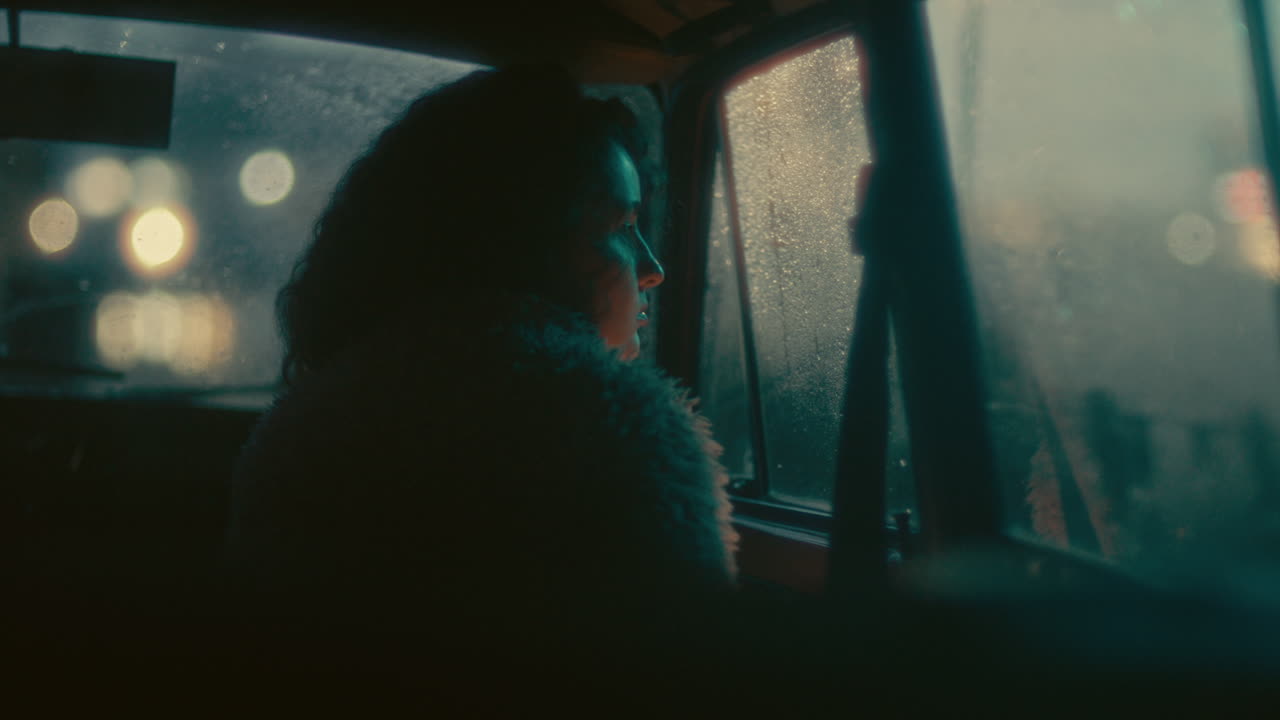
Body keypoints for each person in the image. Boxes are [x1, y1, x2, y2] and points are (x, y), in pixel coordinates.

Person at [222, 66, 739, 678]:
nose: (651, 268)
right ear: (523, 241)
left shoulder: (308, 429)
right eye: (621, 228)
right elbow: (691, 675)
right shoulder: (623, 436)